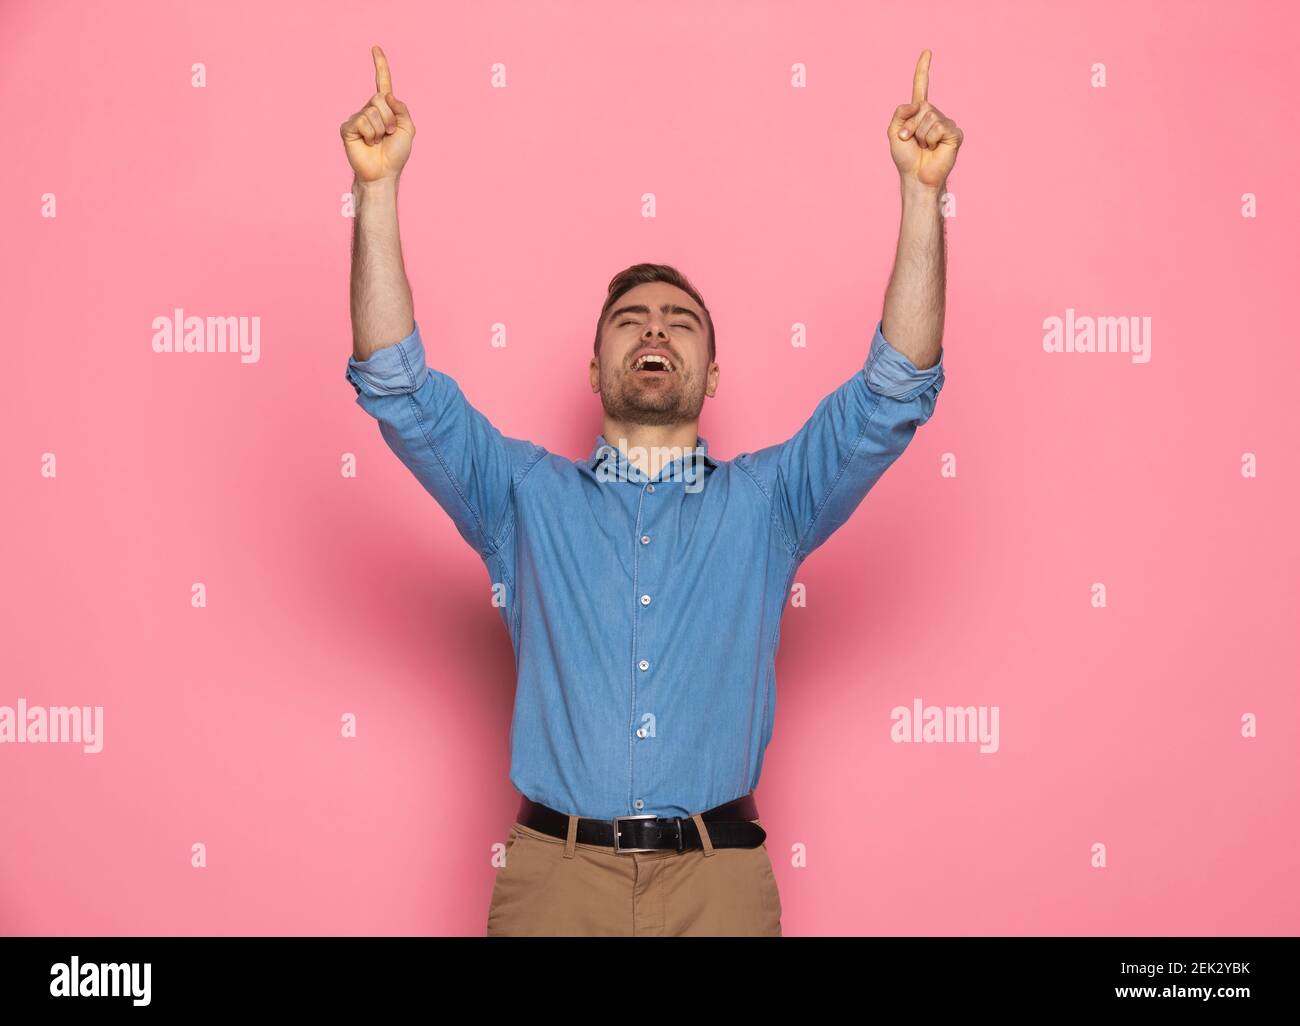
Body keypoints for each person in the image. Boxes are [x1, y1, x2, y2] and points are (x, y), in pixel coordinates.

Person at [339, 44, 962, 936]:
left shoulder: (771, 502)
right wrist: (377, 188)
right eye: (631, 320)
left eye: (681, 322)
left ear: (711, 376)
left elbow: (894, 391)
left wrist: (921, 193)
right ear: (595, 367)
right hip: (556, 883)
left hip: (719, 889)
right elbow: (395, 385)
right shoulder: (519, 495)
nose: (656, 329)